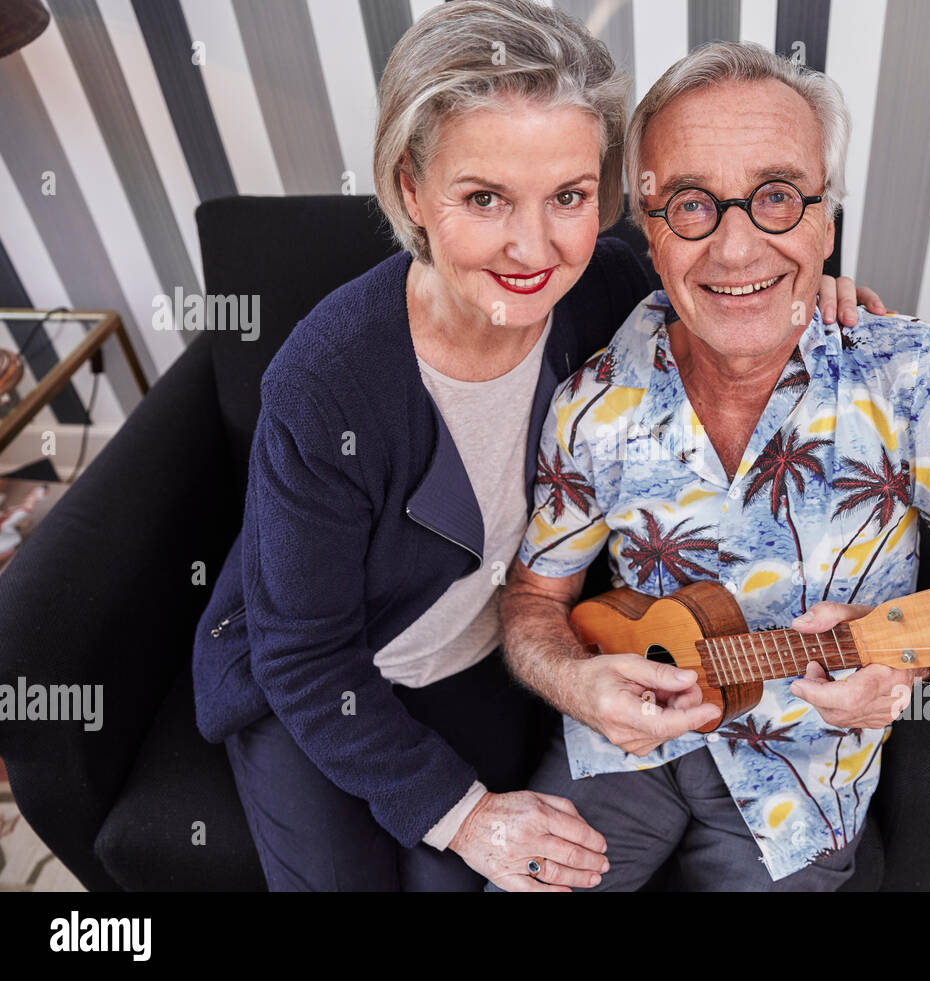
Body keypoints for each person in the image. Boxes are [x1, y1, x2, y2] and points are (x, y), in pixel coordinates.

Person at [190, 0, 885, 892]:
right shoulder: (324, 386)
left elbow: (728, 295)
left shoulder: (610, 289)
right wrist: (467, 814)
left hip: (481, 664)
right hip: (319, 684)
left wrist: (813, 301)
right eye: (484, 197)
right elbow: (301, 653)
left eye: (569, 196)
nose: (534, 246)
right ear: (411, 188)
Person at [498, 41, 930, 891]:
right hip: (624, 755)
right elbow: (533, 598)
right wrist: (578, 684)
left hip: (800, 785)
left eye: (776, 197)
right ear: (650, 230)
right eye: (693, 204)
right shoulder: (591, 403)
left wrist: (911, 660)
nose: (737, 251)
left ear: (824, 221)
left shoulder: (911, 376)